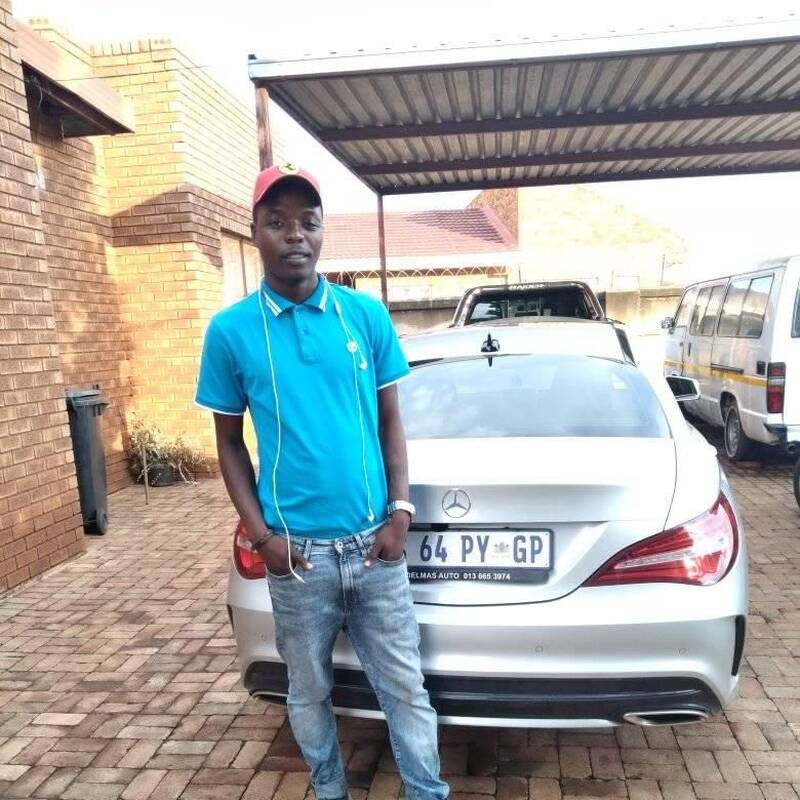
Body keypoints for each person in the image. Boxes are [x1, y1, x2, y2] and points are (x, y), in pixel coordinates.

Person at [195, 164, 449, 800]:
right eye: (277, 222)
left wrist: (400, 514)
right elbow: (229, 443)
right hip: (297, 559)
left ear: (321, 230)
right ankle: (329, 789)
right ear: (255, 231)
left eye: (308, 222)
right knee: (308, 690)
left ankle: (427, 792)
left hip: (374, 549)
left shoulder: (364, 316)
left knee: (405, 688)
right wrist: (262, 538)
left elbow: (391, 423)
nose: (295, 235)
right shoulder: (230, 332)